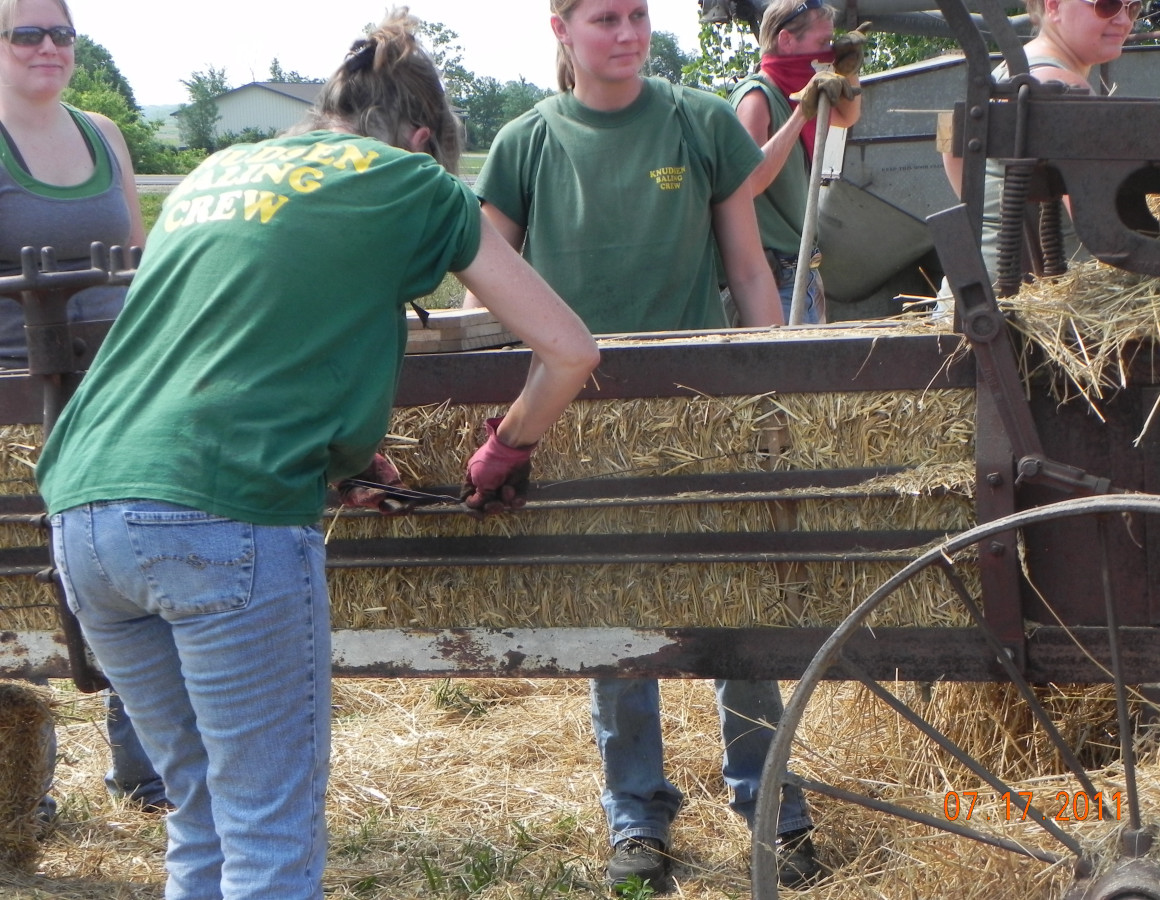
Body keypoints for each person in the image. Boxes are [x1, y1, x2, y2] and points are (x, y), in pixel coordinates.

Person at [34, 8, 599, 899]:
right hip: (224, 518)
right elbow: (569, 350)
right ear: (423, 140)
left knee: (200, 815)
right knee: (270, 833)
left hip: (84, 509)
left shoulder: (219, 171)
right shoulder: (412, 180)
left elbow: (232, 341)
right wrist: (505, 448)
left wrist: (340, 460)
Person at [464, 0, 820, 891]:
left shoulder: (699, 122)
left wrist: (773, 385)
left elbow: (748, 267)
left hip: (697, 407)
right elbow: (483, 291)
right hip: (575, 417)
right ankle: (636, 815)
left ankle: (770, 804)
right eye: (604, 18)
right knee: (614, 621)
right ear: (561, 29)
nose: (626, 34)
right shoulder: (525, 144)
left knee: (731, 607)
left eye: (637, 15)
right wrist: (493, 410)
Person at [0, 0, 169, 816]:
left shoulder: (103, 134)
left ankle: (147, 776)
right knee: (20, 595)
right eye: (27, 33)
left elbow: (138, 258)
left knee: (134, 576)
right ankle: (21, 794)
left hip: (116, 393)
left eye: (62, 33)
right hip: (11, 399)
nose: (49, 47)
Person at [940, 0, 1136, 293]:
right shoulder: (1059, 86)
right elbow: (1104, 227)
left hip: (973, 295)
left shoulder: (1007, 74)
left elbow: (951, 149)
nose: (1124, 21)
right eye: (1107, 5)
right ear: (1054, 5)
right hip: (1028, 309)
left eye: (1132, 8)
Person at [728, 0, 863, 324]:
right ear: (787, 40)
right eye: (822, 42)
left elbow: (846, 116)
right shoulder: (756, 97)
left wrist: (849, 71)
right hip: (774, 278)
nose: (828, 52)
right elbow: (750, 182)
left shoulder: (796, 90)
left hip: (803, 270)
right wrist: (802, 113)